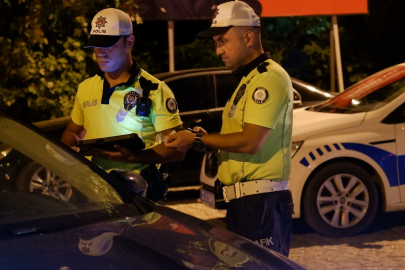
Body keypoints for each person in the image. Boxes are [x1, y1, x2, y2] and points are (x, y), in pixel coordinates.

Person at [164, 0, 294, 256]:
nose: (218, 51)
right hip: (248, 204)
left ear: (248, 37)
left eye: (223, 41)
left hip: (260, 204)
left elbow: (249, 142)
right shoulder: (249, 78)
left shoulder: (268, 77)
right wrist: (203, 138)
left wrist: (198, 141)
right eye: (216, 43)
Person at [61, 8, 184, 202]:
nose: (100, 53)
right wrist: (69, 158)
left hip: (137, 195)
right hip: (91, 193)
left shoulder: (154, 90)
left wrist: (132, 157)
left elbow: (177, 149)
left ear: (130, 42)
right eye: (95, 45)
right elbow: (72, 131)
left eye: (108, 45)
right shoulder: (86, 87)